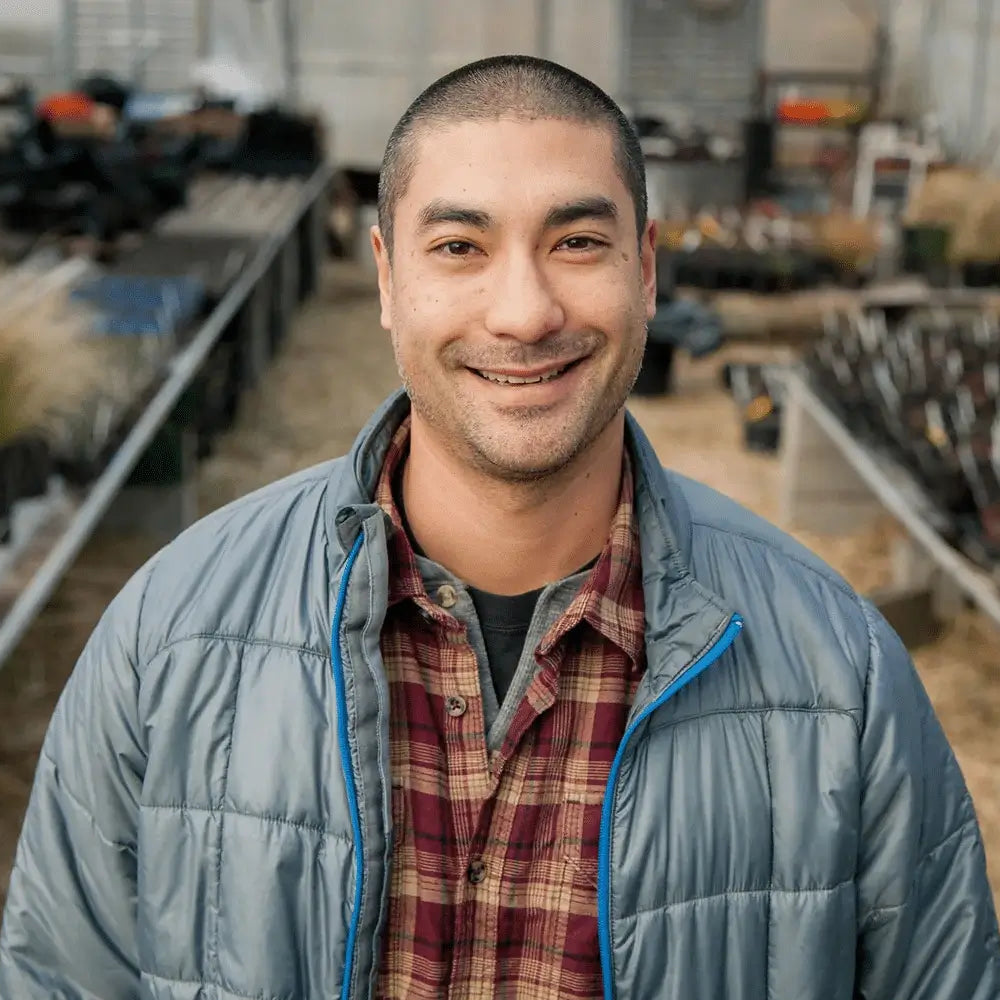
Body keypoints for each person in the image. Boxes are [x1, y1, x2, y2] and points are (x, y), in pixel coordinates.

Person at [1, 55, 998, 1000]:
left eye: (575, 242)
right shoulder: (169, 638)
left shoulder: (840, 676)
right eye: (458, 248)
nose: (522, 310)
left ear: (645, 271)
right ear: (387, 279)